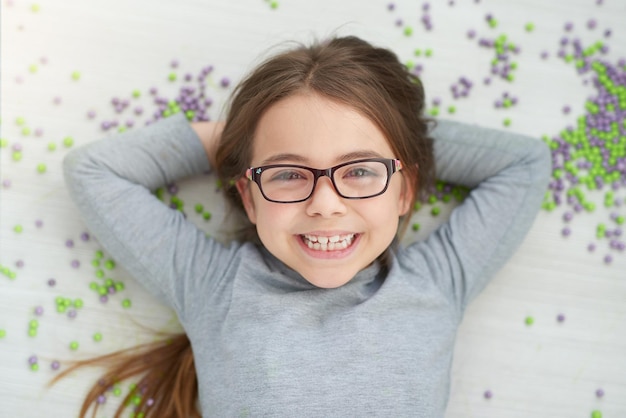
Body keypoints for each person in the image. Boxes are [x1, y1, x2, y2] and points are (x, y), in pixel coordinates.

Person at [58, 36, 551, 417]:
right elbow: (94, 171)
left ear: (404, 190)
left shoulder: (437, 283)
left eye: (359, 171)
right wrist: (239, 139)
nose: (325, 204)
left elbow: (525, 164)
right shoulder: (212, 287)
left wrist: (394, 126)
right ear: (248, 197)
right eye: (289, 173)